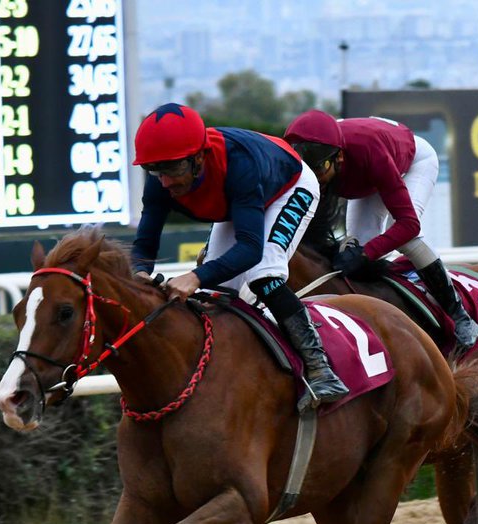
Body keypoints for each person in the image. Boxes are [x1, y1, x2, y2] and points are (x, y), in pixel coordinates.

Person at [130, 102, 347, 406]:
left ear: (198, 158)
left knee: (263, 275)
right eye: (154, 170)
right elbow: (145, 243)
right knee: (215, 294)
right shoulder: (160, 182)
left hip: (290, 184)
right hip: (244, 196)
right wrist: (139, 271)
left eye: (173, 169)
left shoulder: (237, 164)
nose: (165, 181)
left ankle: (320, 367)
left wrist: (194, 276)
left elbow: (249, 249)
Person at [283, 109, 478, 349]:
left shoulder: (370, 153)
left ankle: (459, 315)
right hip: (365, 172)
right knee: (355, 243)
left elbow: (408, 225)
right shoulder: (310, 158)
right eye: (308, 171)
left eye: (320, 170)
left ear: (339, 158)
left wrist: (367, 254)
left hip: (411, 163)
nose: (315, 180)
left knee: (404, 240)